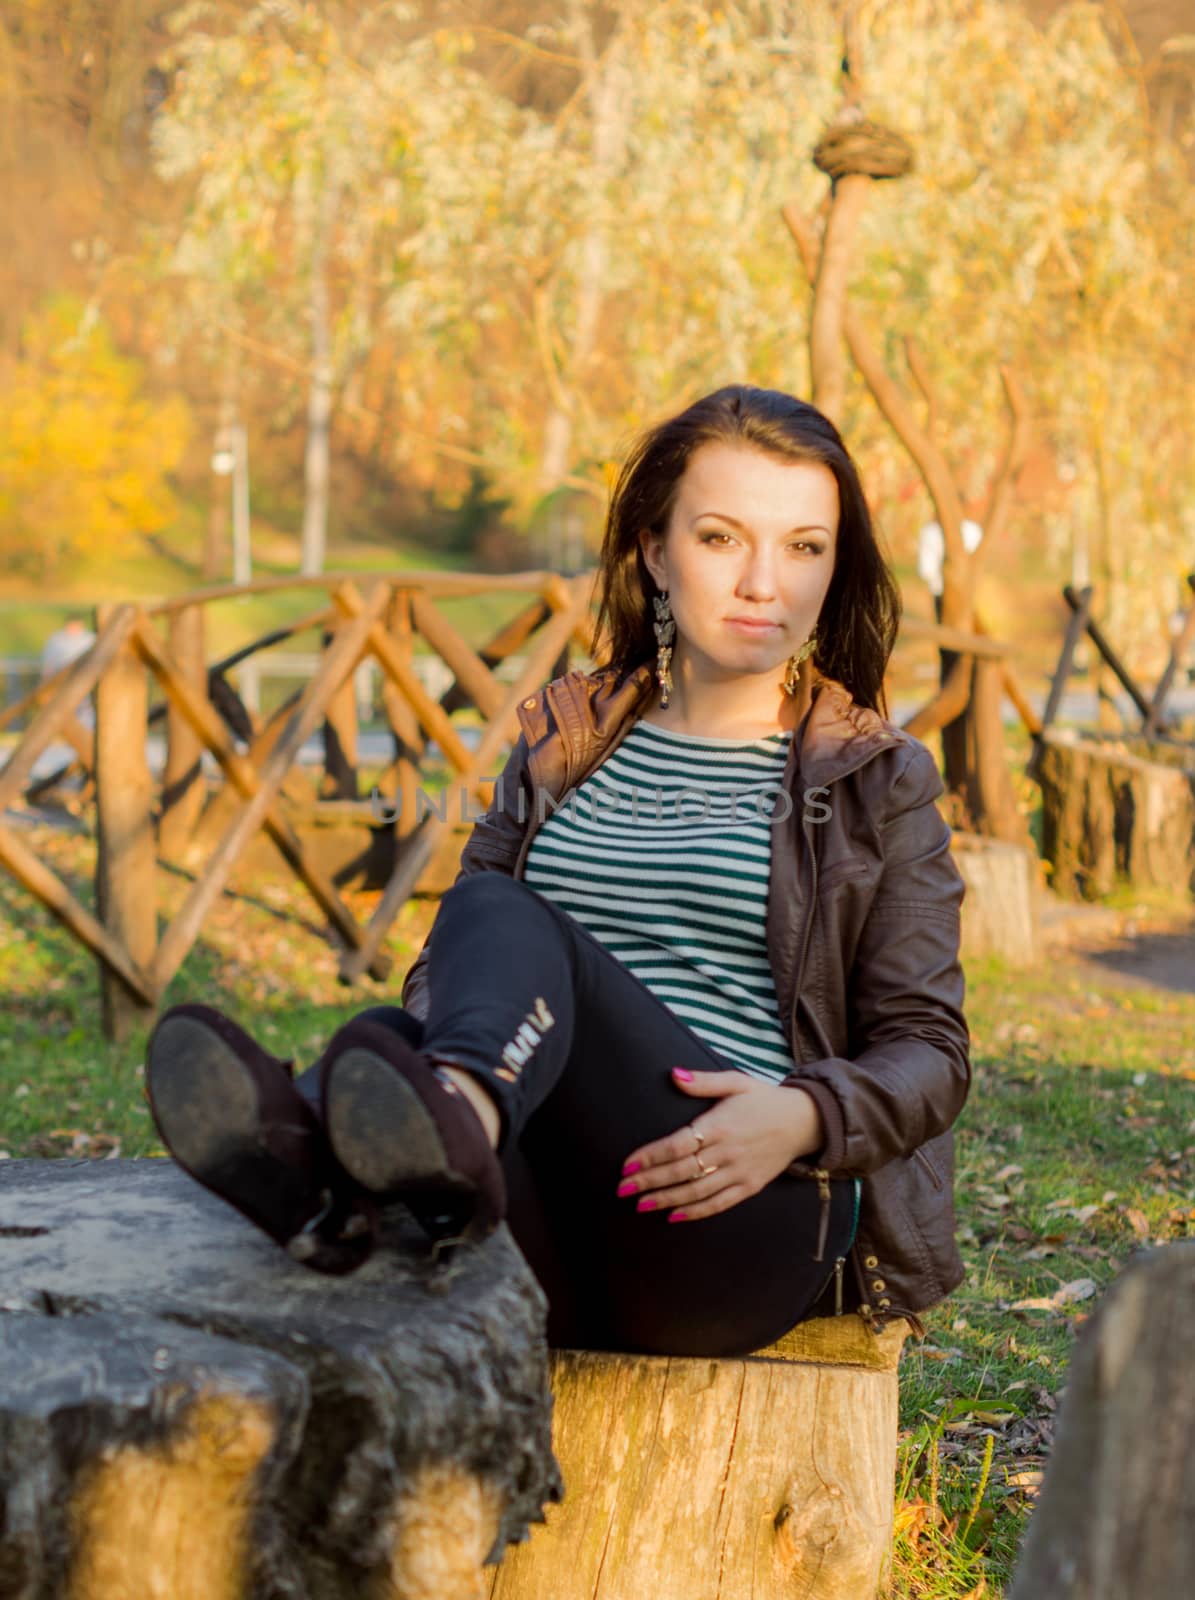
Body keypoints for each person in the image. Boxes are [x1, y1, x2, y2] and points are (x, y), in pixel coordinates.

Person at [146, 385, 970, 1358]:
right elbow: (457, 962)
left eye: (802, 546)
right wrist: (438, 1035)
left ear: (836, 566)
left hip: (737, 1219)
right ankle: (354, 1165)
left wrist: (800, 1115)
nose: (764, 583)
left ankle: (377, 1138)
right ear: (655, 553)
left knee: (487, 931)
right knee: (399, 1016)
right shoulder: (567, 739)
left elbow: (930, 1048)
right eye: (720, 538)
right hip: (549, 1214)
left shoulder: (875, 777)